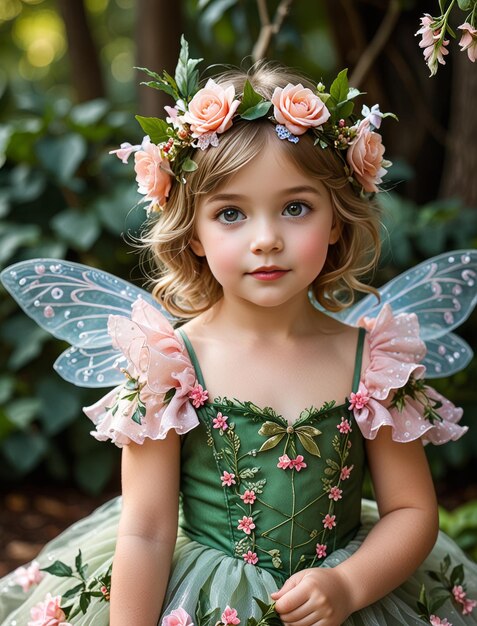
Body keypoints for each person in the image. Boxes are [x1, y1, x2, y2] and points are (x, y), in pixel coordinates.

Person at [0, 43, 476, 626]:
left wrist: (349, 585)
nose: (266, 239)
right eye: (231, 213)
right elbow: (148, 532)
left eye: (296, 208)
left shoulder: (375, 359)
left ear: (335, 219)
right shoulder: (168, 365)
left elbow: (411, 510)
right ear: (192, 232)